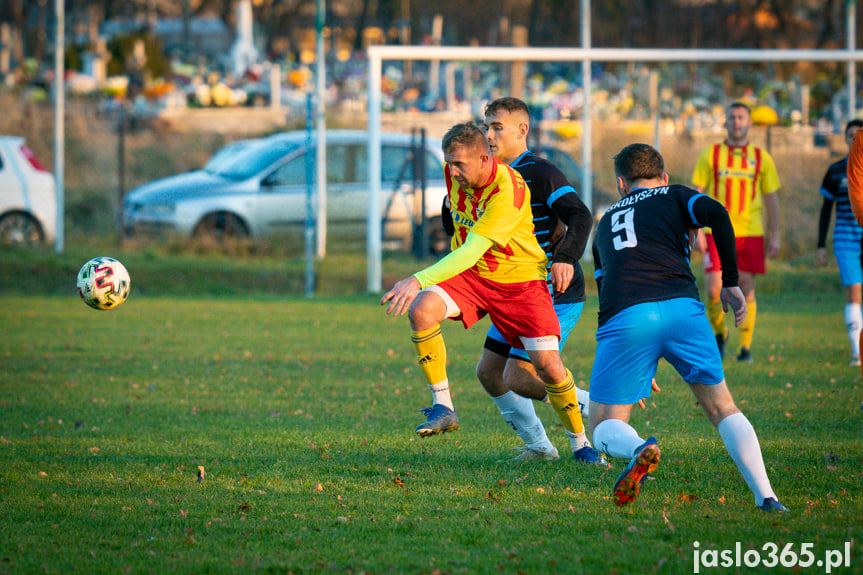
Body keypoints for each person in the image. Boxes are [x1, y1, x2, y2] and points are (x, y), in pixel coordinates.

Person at [382, 122, 602, 464]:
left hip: (521, 284)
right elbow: (458, 229)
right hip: (476, 277)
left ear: (485, 159)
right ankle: (446, 408)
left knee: (547, 367)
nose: (453, 172)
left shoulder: (508, 190)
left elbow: (471, 249)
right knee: (423, 311)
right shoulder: (454, 172)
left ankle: (581, 446)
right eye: (449, 164)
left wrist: (417, 279)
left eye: (460, 165)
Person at [588, 143, 787, 512]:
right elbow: (718, 213)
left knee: (602, 426)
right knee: (722, 407)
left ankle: (638, 449)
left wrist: (635, 363)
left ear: (620, 184)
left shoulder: (605, 224)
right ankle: (767, 497)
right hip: (683, 309)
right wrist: (731, 281)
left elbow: (605, 289)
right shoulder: (677, 194)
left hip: (626, 317)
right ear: (662, 177)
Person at [453, 97, 599, 463]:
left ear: (522, 130)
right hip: (511, 290)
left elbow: (580, 215)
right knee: (489, 373)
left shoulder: (540, 173)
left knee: (519, 375)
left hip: (553, 291)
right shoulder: (486, 175)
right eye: (486, 126)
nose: (488, 134)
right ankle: (539, 447)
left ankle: (589, 421)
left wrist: (565, 259)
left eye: (497, 127)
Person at [692, 101, 781, 362]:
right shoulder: (711, 154)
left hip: (751, 232)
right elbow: (696, 192)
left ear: (750, 122)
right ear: (726, 122)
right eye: (732, 117)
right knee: (712, 289)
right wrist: (696, 229)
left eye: (741, 117)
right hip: (715, 232)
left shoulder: (761, 157)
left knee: (746, 286)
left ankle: (745, 348)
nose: (737, 122)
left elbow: (771, 198)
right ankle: (720, 334)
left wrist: (775, 234)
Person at [817, 119, 863, 366]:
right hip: (846, 237)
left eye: (859, 136)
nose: (854, 140)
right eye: (850, 136)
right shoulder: (836, 170)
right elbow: (826, 210)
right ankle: (857, 351)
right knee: (854, 292)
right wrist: (820, 246)